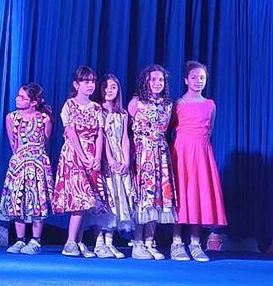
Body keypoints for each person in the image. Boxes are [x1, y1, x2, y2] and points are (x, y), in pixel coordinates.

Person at [171, 61, 227, 261]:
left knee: (198, 194)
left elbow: (209, 130)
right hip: (182, 153)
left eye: (202, 77)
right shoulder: (178, 104)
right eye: (194, 77)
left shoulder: (210, 104)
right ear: (186, 80)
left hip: (202, 154)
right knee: (180, 194)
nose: (198, 81)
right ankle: (176, 242)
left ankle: (195, 243)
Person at [51, 66, 107, 257]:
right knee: (80, 199)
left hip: (91, 154)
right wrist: (82, 156)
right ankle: (70, 242)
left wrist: (97, 157)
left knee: (88, 201)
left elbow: (99, 134)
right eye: (86, 81)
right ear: (76, 84)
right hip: (74, 154)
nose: (90, 85)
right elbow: (71, 133)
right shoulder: (69, 105)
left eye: (93, 81)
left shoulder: (96, 108)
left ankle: (78, 241)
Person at [128, 64, 178, 260]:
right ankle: (137, 242)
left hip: (160, 153)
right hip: (143, 154)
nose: (157, 83)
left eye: (161, 80)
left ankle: (150, 242)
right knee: (143, 197)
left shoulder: (168, 105)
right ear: (145, 82)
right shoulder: (136, 103)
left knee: (157, 197)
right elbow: (128, 130)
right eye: (153, 79)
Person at [0, 83, 54, 255]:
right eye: (18, 96)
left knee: (37, 201)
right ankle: (20, 239)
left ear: (34, 102)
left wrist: (34, 158)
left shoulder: (44, 119)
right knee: (18, 199)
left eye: (22, 97)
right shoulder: (11, 118)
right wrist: (21, 159)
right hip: (19, 163)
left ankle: (36, 240)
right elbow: (13, 143)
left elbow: (44, 141)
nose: (17, 99)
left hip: (38, 164)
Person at [92, 74, 135, 258]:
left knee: (118, 200)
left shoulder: (122, 113)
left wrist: (126, 161)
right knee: (105, 199)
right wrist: (110, 160)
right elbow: (101, 137)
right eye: (106, 87)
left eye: (113, 87)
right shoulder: (97, 110)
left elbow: (125, 138)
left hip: (119, 159)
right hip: (104, 159)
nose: (109, 91)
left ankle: (109, 242)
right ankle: (98, 242)